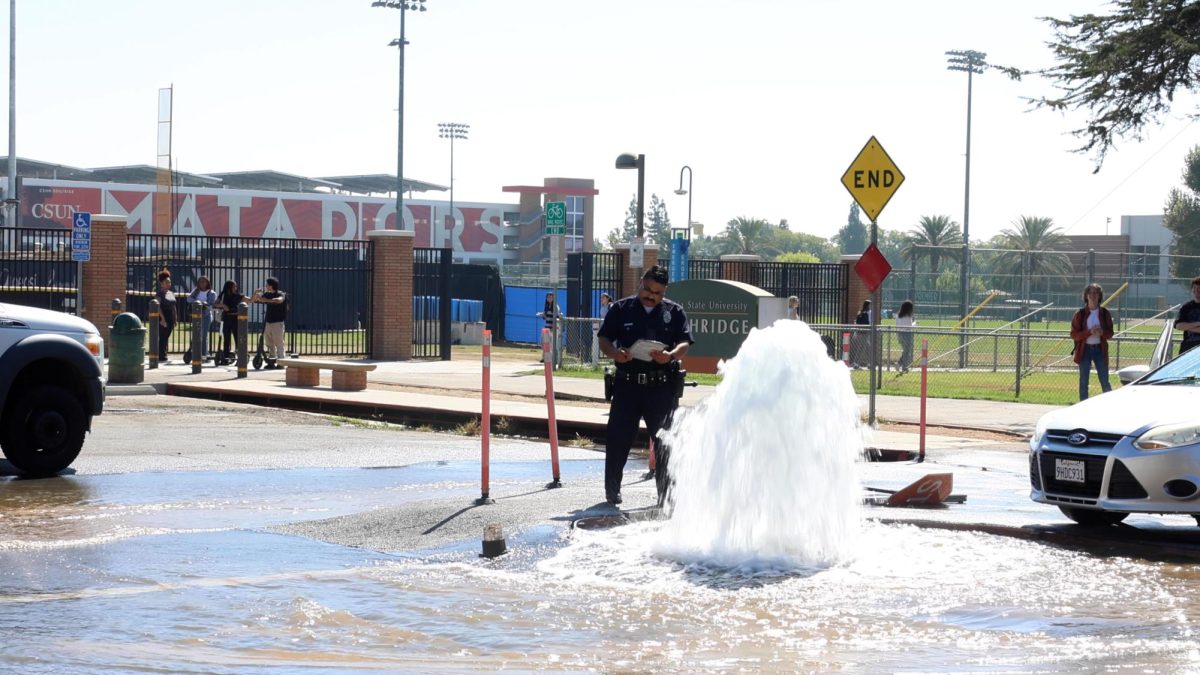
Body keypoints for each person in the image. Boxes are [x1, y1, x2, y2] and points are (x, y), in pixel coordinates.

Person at [597, 265, 693, 506]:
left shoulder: (675, 311)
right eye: (648, 289)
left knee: (665, 443)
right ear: (641, 282)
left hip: (660, 388)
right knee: (618, 440)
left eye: (657, 293)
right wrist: (615, 353)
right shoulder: (621, 308)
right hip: (627, 386)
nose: (651, 296)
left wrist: (670, 355)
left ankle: (666, 496)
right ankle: (612, 492)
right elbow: (604, 338)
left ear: (664, 292)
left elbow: (684, 343)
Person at [1071, 283, 1114, 401]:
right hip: (1085, 351)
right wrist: (1089, 332)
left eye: (1095, 293)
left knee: (1105, 381)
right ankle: (1083, 407)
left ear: (1100, 296)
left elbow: (1110, 333)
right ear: (1086, 296)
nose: (1093, 295)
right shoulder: (1080, 314)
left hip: (1100, 350)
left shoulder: (1105, 313)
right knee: (1084, 382)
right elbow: (1074, 334)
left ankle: (1110, 406)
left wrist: (1102, 333)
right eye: (1090, 293)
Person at [252, 277, 288, 369]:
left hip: (278, 322)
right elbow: (257, 300)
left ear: (271, 285)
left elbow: (279, 300)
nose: (266, 286)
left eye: (267, 284)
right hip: (268, 322)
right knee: (269, 343)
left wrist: (266, 300)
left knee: (278, 342)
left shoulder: (280, 293)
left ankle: (281, 362)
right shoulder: (267, 294)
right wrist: (256, 293)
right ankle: (271, 361)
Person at [214, 280, 245, 366]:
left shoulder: (238, 295)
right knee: (226, 339)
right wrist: (223, 305)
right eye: (234, 286)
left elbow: (249, 300)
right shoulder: (223, 295)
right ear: (229, 287)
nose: (236, 288)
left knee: (237, 338)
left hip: (235, 318)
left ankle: (240, 357)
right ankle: (225, 357)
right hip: (226, 318)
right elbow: (215, 304)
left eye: (236, 286)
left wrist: (255, 295)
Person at [187, 276, 218, 361]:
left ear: (208, 283)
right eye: (200, 282)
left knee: (204, 336)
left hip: (206, 316)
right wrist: (197, 302)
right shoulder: (196, 291)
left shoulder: (212, 293)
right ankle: (193, 352)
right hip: (196, 316)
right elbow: (189, 299)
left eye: (204, 282)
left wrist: (205, 304)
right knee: (195, 334)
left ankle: (204, 354)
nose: (202, 283)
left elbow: (212, 306)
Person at [1174, 276, 1200, 355]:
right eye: (1194, 289)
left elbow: (1183, 326)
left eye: (1199, 289)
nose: (1197, 293)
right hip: (1187, 350)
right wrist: (1198, 323)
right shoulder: (1186, 307)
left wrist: (1187, 327)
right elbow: (1178, 326)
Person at [155, 271, 177, 363]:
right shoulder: (159, 294)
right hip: (163, 317)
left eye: (169, 282)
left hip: (170, 317)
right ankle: (161, 356)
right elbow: (158, 307)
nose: (168, 284)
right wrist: (162, 319)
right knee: (163, 337)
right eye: (166, 282)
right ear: (162, 283)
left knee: (166, 336)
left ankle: (164, 354)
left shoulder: (171, 293)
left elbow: (173, 307)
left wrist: (175, 319)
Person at [535, 292, 561, 363]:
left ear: (553, 298)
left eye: (551, 297)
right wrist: (541, 314)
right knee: (544, 343)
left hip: (553, 328)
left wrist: (554, 326)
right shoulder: (547, 306)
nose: (549, 298)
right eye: (548, 297)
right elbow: (545, 316)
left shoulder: (555, 306)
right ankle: (544, 357)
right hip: (546, 327)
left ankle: (552, 359)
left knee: (552, 344)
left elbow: (557, 317)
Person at [896, 299, 916, 372]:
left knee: (906, 351)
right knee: (907, 351)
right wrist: (915, 323)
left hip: (899, 334)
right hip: (906, 334)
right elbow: (909, 326)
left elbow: (898, 325)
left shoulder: (898, 315)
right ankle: (901, 365)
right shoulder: (908, 316)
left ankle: (901, 364)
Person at [851, 299, 871, 367]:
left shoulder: (860, 312)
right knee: (862, 349)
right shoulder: (866, 313)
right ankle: (856, 363)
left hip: (860, 332)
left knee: (868, 348)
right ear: (868, 306)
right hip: (864, 333)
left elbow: (856, 322)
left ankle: (869, 363)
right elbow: (868, 322)